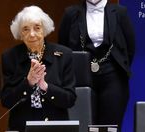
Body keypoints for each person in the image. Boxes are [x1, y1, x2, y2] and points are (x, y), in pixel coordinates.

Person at [58, 0, 135, 131]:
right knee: (81, 124)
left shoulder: (120, 12)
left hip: (113, 75)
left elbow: (130, 47)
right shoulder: (70, 14)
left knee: (110, 126)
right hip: (79, 77)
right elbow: (63, 47)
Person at [1, 5, 76, 132]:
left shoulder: (64, 55)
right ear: (20, 33)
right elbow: (7, 101)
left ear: (44, 29)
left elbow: (70, 100)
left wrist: (45, 86)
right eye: (26, 29)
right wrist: (28, 83)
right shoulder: (10, 57)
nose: (32, 34)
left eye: (37, 28)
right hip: (21, 126)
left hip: (56, 126)